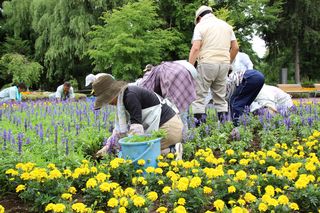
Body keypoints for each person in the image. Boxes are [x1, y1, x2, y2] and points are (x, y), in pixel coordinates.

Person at [94, 75, 184, 160]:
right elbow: (119, 132)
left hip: (168, 129)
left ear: (113, 93)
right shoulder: (125, 96)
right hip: (166, 126)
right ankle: (170, 150)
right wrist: (108, 147)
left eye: (106, 99)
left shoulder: (130, 96)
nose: (108, 103)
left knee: (145, 156)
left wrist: (131, 151)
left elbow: (136, 130)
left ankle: (172, 151)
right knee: (143, 154)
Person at [189, 5, 239, 126]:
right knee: (221, 99)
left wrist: (189, 68)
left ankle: (200, 130)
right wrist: (228, 62)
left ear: (199, 17)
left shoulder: (200, 26)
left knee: (199, 98)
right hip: (223, 65)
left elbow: (195, 48)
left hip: (206, 63)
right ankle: (224, 129)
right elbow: (236, 48)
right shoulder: (226, 26)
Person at [138, 61, 197, 130]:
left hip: (178, 74)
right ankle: (190, 130)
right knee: (184, 104)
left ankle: (182, 132)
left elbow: (148, 92)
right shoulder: (167, 67)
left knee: (176, 108)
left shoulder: (147, 76)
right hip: (188, 72)